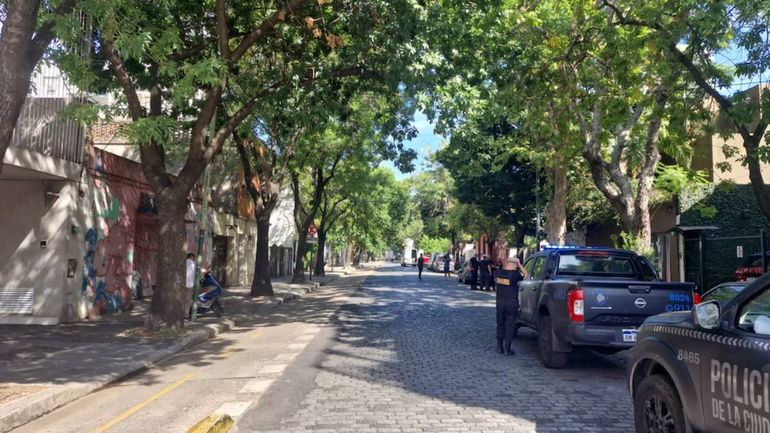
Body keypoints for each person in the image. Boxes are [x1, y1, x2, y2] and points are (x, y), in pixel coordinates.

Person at [495, 257, 529, 355]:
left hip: (500, 302)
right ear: (514, 264)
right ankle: (507, 349)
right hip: (511, 302)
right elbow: (526, 275)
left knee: (500, 324)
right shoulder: (515, 275)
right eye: (516, 264)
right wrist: (519, 264)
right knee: (510, 325)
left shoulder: (499, 272)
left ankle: (499, 347)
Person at [185, 253, 196, 318]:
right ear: (192, 257)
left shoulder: (183, 263)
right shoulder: (193, 264)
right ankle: (186, 313)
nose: (194, 259)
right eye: (194, 258)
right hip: (190, 284)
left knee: (183, 298)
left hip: (183, 284)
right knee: (188, 299)